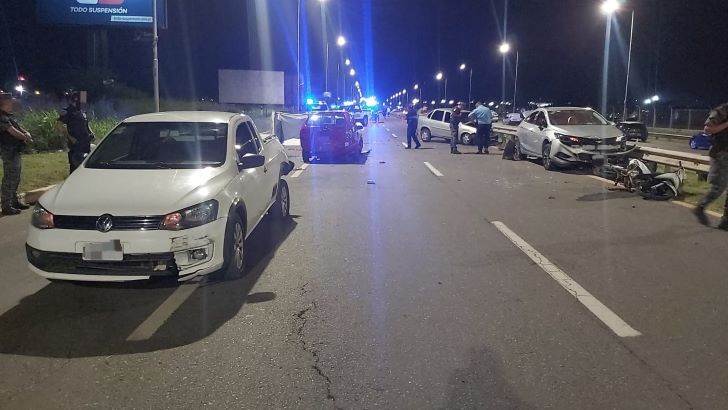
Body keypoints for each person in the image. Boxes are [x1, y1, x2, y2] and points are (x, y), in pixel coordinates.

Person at [694, 103, 728, 230]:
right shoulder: (723, 111)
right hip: (721, 154)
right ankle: (700, 207)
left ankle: (725, 221)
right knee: (720, 187)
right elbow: (707, 130)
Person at [0, 93, 32, 216]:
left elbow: (18, 128)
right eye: (9, 102)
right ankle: (6, 205)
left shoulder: (8, 116)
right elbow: (12, 132)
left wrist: (26, 133)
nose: (12, 104)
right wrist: (25, 136)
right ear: (3, 104)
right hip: (9, 151)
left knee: (16, 177)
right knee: (10, 178)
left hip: (14, 150)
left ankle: (14, 201)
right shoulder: (2, 117)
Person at [58, 95, 94, 173]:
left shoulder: (82, 111)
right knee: (75, 164)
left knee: (85, 163)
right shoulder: (68, 111)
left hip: (85, 141)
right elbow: (60, 125)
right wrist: (70, 138)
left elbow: (86, 124)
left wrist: (91, 132)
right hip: (75, 142)